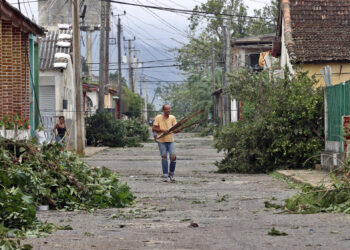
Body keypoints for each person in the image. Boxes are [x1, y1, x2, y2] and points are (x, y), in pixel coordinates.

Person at [152, 104, 182, 182]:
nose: (168, 111)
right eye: (166, 109)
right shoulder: (158, 117)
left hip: (170, 140)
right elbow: (154, 128)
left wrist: (178, 130)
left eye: (169, 109)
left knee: (173, 157)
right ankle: (165, 175)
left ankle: (171, 174)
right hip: (161, 140)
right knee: (164, 157)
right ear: (163, 110)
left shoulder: (172, 118)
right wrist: (162, 130)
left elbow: (174, 129)